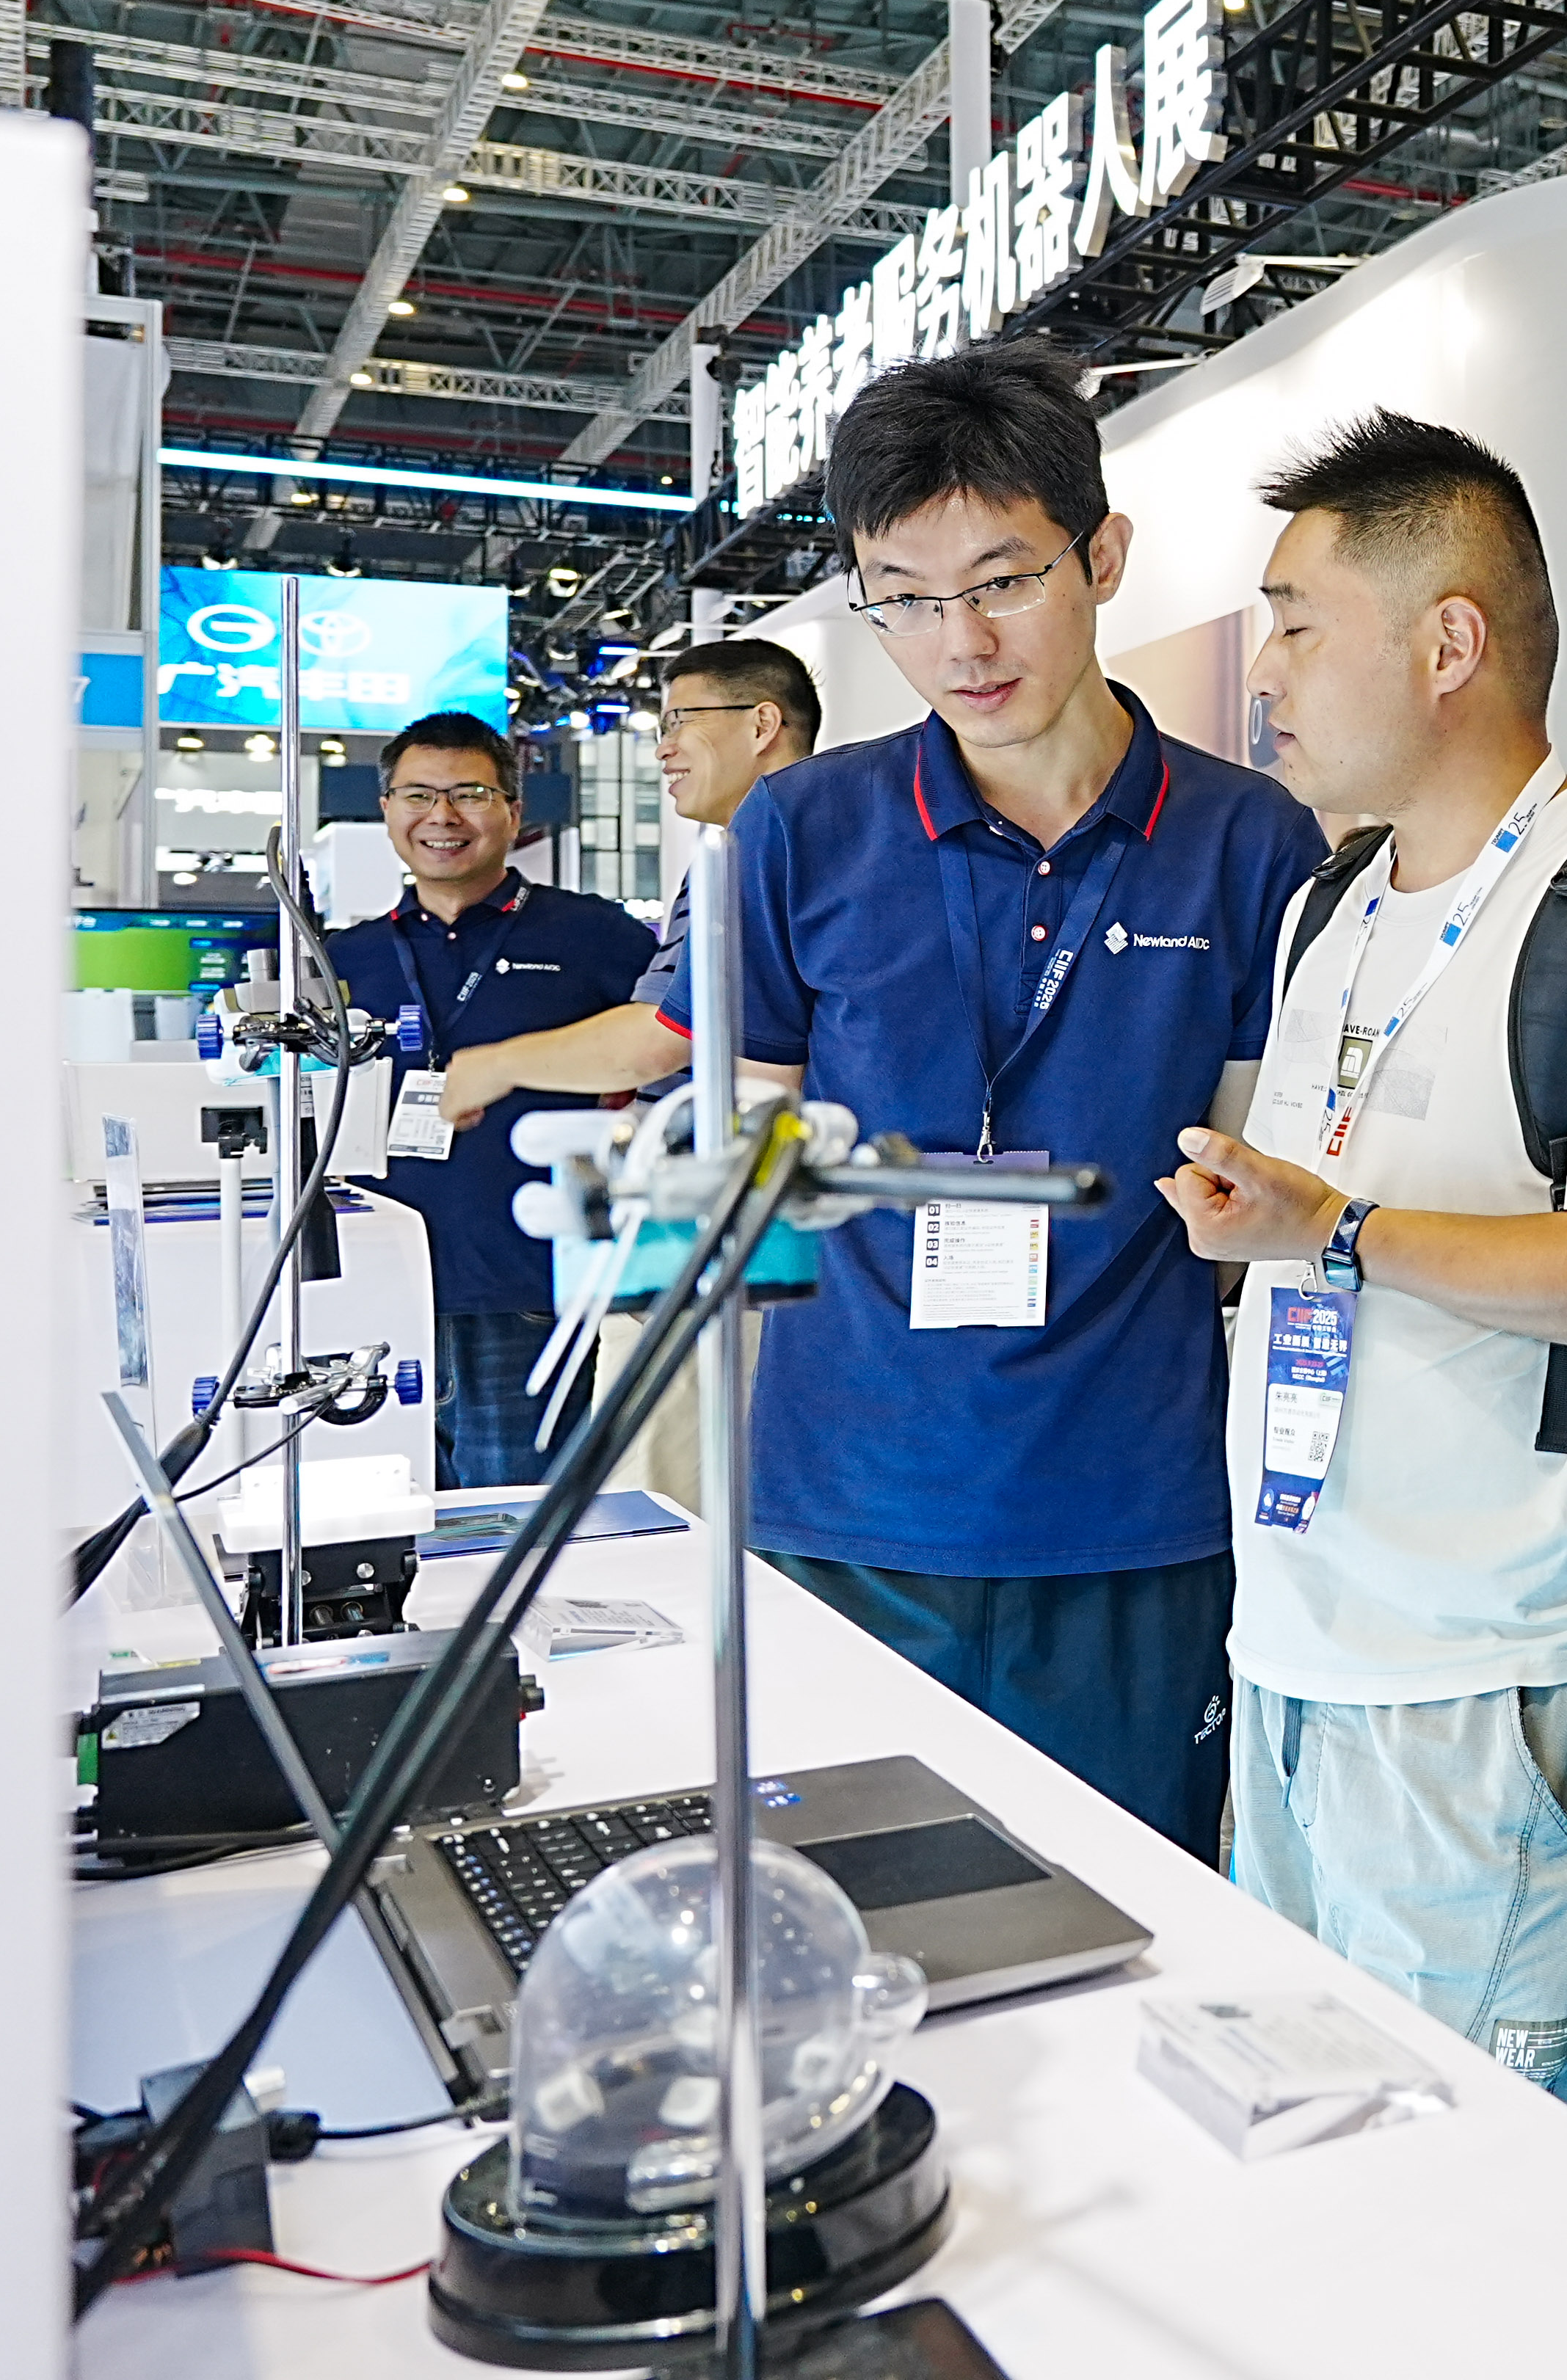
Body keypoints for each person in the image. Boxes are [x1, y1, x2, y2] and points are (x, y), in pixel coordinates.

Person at [1150, 412, 1567, 2129]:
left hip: (1490, 1660)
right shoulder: (1328, 901)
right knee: (1306, 2138)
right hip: (1296, 1636)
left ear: (1449, 642)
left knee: (1467, 2164)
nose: (1266, 670)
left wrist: (1337, 1230)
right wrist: (1265, 1221)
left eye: (1296, 622)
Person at [659, 338, 1323, 1858]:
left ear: (1104, 557)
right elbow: (748, 1164)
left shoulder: (1248, 841)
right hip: (848, 1501)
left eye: (1004, 580)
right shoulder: (800, 829)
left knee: (1136, 1913)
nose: (959, 640)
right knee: (844, 1922)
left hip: (1130, 1512)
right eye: (902, 595)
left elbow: (1252, 1191)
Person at [441, 636, 822, 1509]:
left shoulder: (762, 847)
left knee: (663, 1506)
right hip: (731, 1224)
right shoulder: (773, 845)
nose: (664, 747)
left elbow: (664, 1034)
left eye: (682, 720)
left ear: (762, 723)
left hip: (712, 1228)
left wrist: (494, 1065)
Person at [323, 710, 656, 1488]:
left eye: (469, 794)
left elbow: (676, 1061)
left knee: (516, 1530)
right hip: (374, 1291)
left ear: (513, 810)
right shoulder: (344, 958)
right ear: (386, 810)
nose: (442, 816)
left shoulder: (597, 936)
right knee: (381, 1522)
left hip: (528, 1289)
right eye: (418, 795)